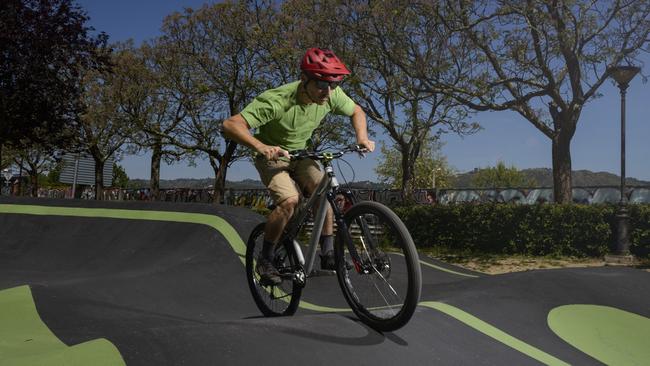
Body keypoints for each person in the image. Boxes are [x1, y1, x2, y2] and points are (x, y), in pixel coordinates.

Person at [223, 48, 375, 286]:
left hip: (302, 154)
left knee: (324, 190)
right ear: (304, 79)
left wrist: (362, 138)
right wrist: (261, 146)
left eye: (333, 86)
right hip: (272, 156)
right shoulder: (276, 100)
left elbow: (356, 110)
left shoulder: (330, 94)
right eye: (322, 85)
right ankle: (266, 258)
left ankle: (327, 254)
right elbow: (232, 124)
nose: (328, 92)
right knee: (290, 201)